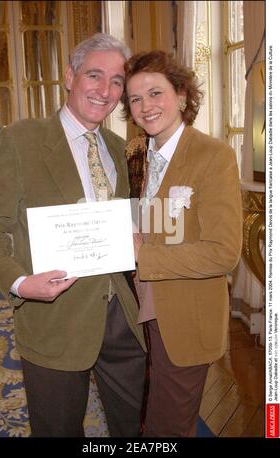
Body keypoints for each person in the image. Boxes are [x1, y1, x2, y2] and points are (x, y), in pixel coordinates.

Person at [0, 33, 146, 438]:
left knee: (130, 429)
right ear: (70, 77)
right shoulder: (21, 139)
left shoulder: (119, 147)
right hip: (54, 317)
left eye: (117, 82)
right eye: (94, 75)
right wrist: (20, 283)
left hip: (121, 316)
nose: (105, 91)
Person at [122, 50, 242, 437]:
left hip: (185, 317)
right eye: (135, 99)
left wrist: (146, 255)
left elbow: (224, 253)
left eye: (155, 93)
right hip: (143, 309)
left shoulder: (213, 155)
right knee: (157, 411)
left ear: (182, 95)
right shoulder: (141, 154)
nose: (145, 106)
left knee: (165, 427)